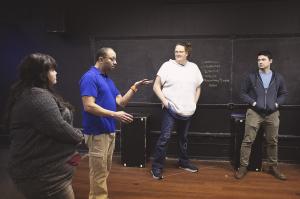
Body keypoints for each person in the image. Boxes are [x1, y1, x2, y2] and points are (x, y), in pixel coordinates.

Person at [4, 53, 84, 199]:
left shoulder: (38, 94)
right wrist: (81, 136)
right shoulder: (37, 97)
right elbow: (59, 128)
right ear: (41, 74)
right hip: (44, 178)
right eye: (52, 69)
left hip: (51, 174)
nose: (56, 72)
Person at [79, 47, 152, 199]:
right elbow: (88, 105)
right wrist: (114, 114)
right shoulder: (90, 77)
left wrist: (134, 87)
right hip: (97, 132)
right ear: (100, 59)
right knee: (98, 173)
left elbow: (121, 102)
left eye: (115, 59)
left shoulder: (107, 80)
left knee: (103, 171)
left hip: (108, 131)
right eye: (112, 59)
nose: (115, 62)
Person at [151, 42, 204, 180]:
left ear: (187, 53)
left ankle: (183, 162)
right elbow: (156, 86)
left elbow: (198, 87)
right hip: (171, 108)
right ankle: (156, 167)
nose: (178, 54)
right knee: (165, 137)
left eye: (181, 51)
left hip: (188, 110)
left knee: (183, 138)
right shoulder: (167, 66)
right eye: (176, 51)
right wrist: (165, 101)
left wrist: (194, 103)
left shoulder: (193, 67)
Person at [235, 50, 288, 180]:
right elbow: (242, 93)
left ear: (270, 61)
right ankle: (242, 167)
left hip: (272, 113)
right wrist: (253, 103)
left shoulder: (278, 77)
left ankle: (273, 167)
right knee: (247, 140)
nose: (260, 62)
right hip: (254, 113)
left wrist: (276, 105)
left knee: (272, 142)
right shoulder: (251, 76)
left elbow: (284, 94)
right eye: (258, 60)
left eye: (263, 59)